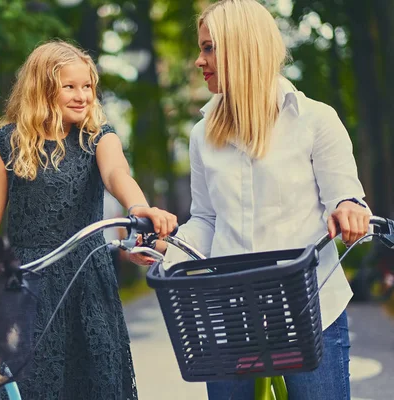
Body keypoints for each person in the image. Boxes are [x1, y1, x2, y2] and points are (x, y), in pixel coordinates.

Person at [0, 40, 177, 399]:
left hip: (85, 282)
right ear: (43, 89)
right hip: (26, 283)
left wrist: (139, 208)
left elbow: (117, 175)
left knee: (91, 382)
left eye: (88, 86)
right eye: (70, 86)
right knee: (27, 384)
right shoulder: (10, 142)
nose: (82, 96)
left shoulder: (98, 137)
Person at [149, 1, 370, 399]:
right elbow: (205, 220)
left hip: (310, 306)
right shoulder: (202, 134)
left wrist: (350, 210)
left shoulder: (315, 120)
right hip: (230, 313)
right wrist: (165, 249)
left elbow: (346, 196)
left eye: (209, 48)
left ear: (243, 48)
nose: (199, 60)